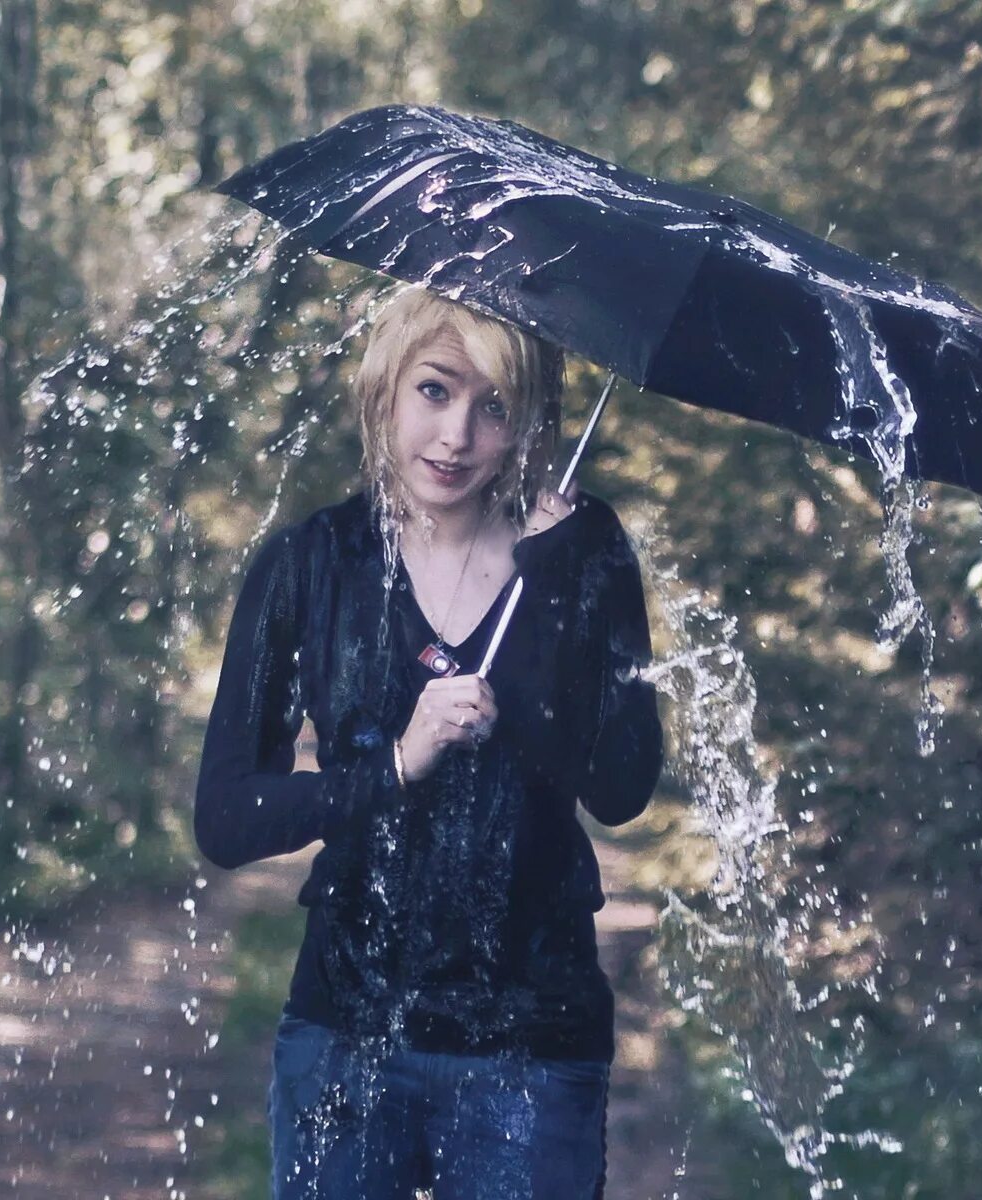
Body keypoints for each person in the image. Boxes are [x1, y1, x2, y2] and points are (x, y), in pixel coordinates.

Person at [193, 285, 665, 1199]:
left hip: (533, 1044)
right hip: (346, 1036)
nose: (456, 437)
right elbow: (226, 817)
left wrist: (551, 591)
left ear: (528, 419)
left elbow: (620, 787)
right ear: (386, 390)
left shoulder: (582, 551)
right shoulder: (313, 565)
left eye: (494, 407)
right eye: (436, 391)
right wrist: (397, 764)